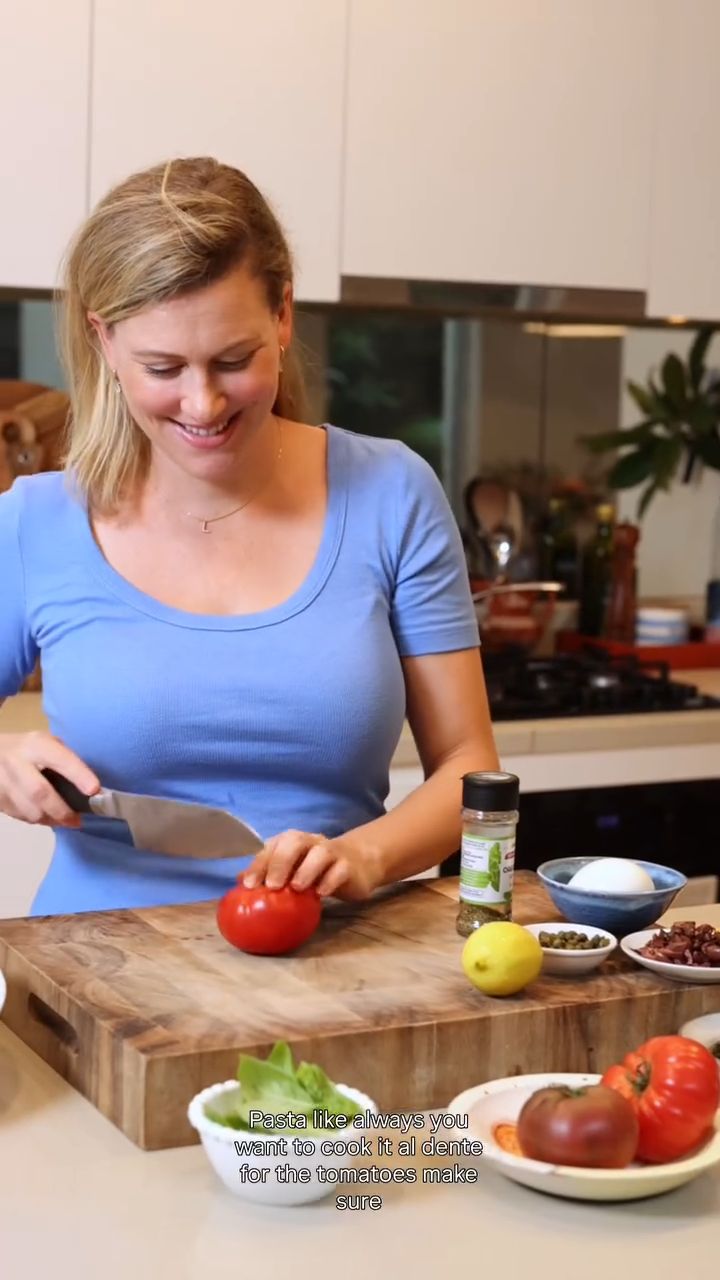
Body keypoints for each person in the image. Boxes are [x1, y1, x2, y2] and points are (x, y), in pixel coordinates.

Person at [0, 156, 499, 916]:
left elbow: (468, 765)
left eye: (233, 360)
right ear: (103, 340)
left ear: (283, 315)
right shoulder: (37, 519)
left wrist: (365, 856)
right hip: (95, 965)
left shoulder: (391, 493)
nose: (203, 404)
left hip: (333, 953)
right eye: (163, 367)